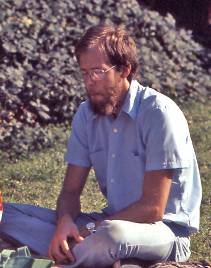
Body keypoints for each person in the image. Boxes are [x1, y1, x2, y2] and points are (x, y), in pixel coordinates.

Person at [0, 24, 202, 268]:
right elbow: (71, 191)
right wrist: (65, 223)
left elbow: (153, 208)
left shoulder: (159, 113)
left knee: (113, 235)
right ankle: (93, 257)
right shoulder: (86, 114)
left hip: (163, 232)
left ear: (124, 69)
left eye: (97, 71)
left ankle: (49, 262)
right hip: (107, 223)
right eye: (84, 72)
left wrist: (89, 229)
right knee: (5, 216)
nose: (89, 81)